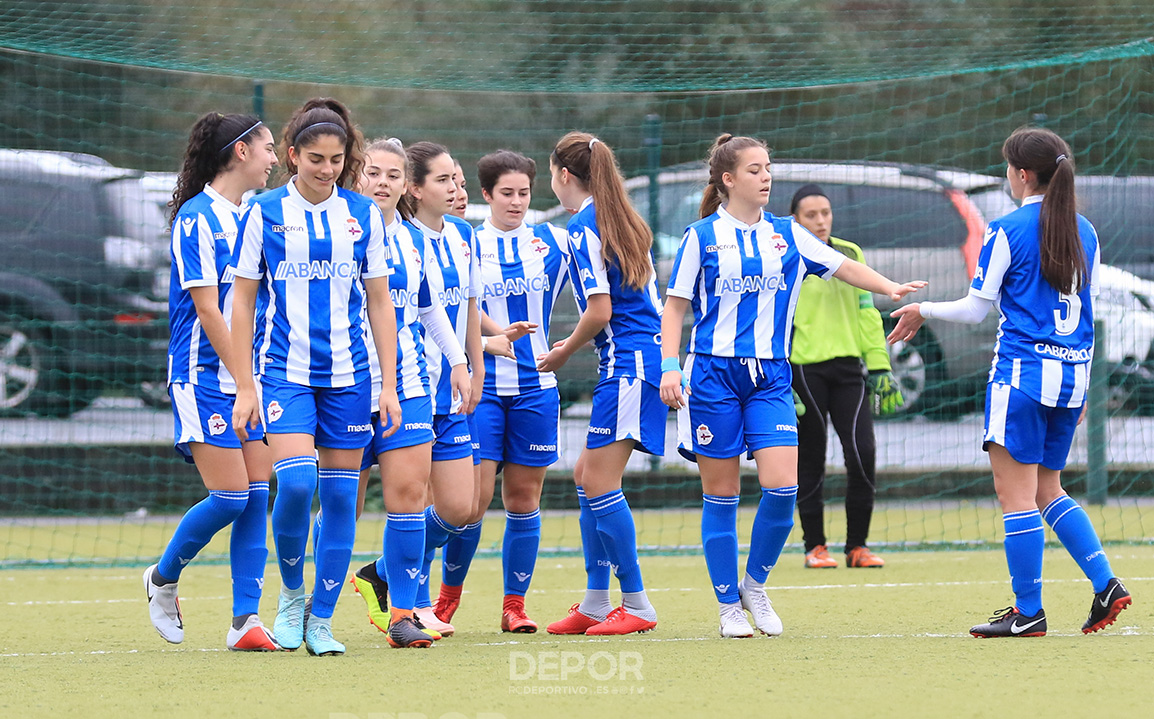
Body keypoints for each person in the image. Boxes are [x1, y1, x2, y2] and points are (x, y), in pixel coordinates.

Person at [660, 134, 925, 638]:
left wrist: (890, 287)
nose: (766, 177)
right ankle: (727, 607)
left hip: (772, 377)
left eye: (768, 168)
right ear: (728, 180)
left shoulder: (788, 233)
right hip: (713, 376)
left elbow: (843, 267)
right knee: (722, 496)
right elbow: (675, 306)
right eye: (755, 170)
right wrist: (670, 365)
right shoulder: (701, 237)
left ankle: (754, 586)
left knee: (783, 488)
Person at [889, 126, 1133, 637]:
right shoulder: (1085, 230)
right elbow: (1085, 313)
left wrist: (921, 309)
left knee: (1016, 496)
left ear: (1022, 175)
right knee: (1049, 490)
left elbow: (978, 309)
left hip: (1021, 377)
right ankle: (1106, 583)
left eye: (1007, 167)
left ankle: (1029, 612)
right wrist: (1084, 385)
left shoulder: (1008, 228)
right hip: (1069, 378)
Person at [229, 97, 401, 657]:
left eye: (336, 159)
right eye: (315, 158)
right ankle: (292, 597)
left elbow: (380, 302)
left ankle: (322, 619)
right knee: (297, 483)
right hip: (283, 373)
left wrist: (389, 383)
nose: (326, 168)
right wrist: (245, 382)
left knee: (341, 498)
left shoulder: (363, 215)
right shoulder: (264, 211)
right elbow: (243, 299)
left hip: (350, 377)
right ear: (293, 155)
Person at [143, 112, 280, 652]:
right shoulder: (197, 220)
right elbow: (208, 310)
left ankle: (245, 620)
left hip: (253, 379)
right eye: (268, 147)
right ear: (240, 152)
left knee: (256, 494)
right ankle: (162, 578)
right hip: (203, 379)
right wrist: (244, 382)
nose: (275, 158)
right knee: (228, 497)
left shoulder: (262, 216)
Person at [349, 141, 485, 640]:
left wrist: (461, 360)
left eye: (391, 174)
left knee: (447, 506)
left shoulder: (411, 242)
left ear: (402, 182)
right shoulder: (341, 232)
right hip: (345, 382)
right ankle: (305, 608)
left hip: (410, 385)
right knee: (341, 502)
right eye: (372, 173)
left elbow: (430, 309)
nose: (381, 183)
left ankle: (396, 602)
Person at [536, 132, 662, 636]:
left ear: (564, 176)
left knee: (601, 482)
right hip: (637, 360)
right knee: (587, 475)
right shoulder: (623, 218)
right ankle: (594, 600)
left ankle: (637, 604)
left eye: (550, 175)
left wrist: (564, 349)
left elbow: (601, 309)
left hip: (629, 367)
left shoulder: (584, 225)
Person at [439, 149, 570, 633]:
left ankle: (514, 607)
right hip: (482, 388)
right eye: (506, 193)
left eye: (524, 193)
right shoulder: (466, 243)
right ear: (486, 195)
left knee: (522, 500)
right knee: (470, 503)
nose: (516, 202)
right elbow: (459, 307)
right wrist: (495, 337)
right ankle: (445, 601)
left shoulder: (553, 241)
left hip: (538, 387)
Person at [789, 183, 904, 569]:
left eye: (825, 213)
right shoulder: (787, 255)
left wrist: (880, 367)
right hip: (803, 371)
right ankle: (814, 547)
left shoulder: (849, 253)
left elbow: (868, 314)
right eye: (811, 215)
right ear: (795, 220)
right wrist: (778, 375)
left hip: (849, 371)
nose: (821, 221)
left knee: (862, 454)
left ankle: (857, 546)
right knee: (811, 458)